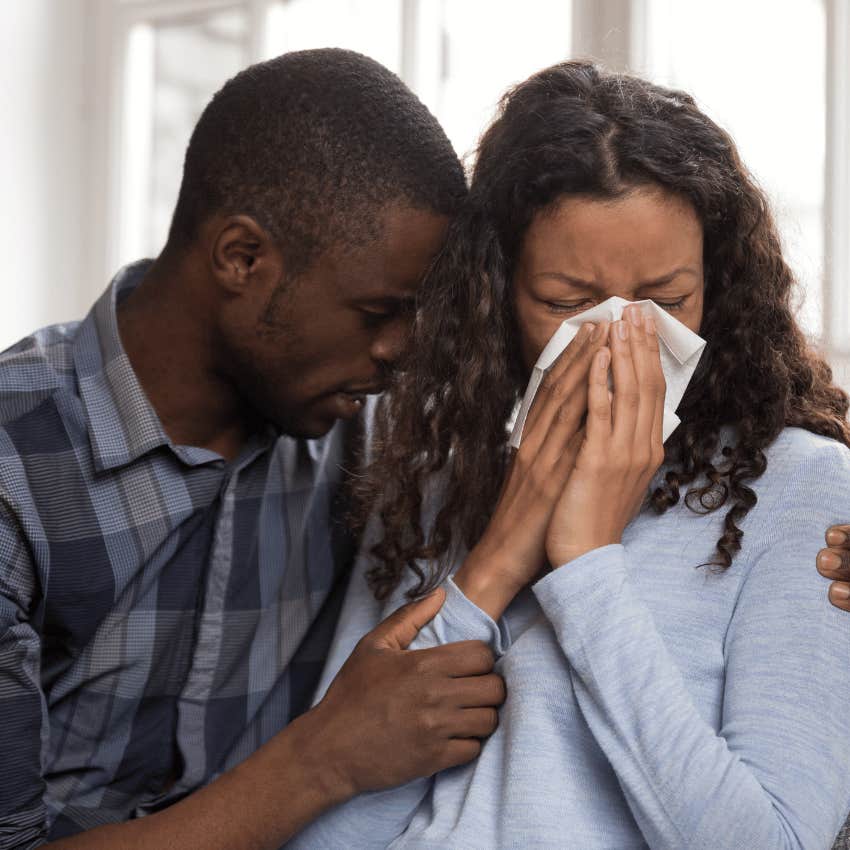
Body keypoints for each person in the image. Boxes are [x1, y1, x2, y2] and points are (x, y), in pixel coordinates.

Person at [285, 61, 850, 849]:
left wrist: (585, 563)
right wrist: (497, 562)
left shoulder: (798, 490)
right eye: (566, 303)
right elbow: (323, 828)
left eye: (667, 300)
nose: (621, 338)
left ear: (718, 289)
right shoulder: (431, 484)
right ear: (495, 293)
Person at [0, 49, 508, 850]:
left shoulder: (360, 434)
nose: (402, 352)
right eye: (377, 311)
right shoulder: (13, 469)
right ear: (241, 258)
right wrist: (326, 759)